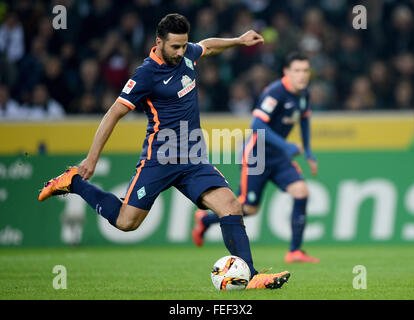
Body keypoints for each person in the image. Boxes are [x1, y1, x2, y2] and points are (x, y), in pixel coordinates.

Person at [38, 13, 290, 289]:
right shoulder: (146, 74)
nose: (181, 52)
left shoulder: (187, 54)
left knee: (231, 206)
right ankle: (72, 182)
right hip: (159, 159)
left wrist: (239, 41)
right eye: (175, 47)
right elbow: (113, 114)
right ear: (159, 42)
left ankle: (250, 276)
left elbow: (207, 45)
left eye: (184, 46)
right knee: (126, 222)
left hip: (193, 158)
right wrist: (91, 158)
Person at [192, 52, 320, 264]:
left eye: (306, 70)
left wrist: (308, 151)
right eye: (297, 70)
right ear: (286, 72)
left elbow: (304, 119)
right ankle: (205, 219)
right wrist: (286, 145)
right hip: (257, 156)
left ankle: (294, 251)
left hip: (278, 158)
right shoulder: (275, 93)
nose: (302, 75)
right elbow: (257, 126)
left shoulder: (303, 94)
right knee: (248, 208)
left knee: (301, 191)